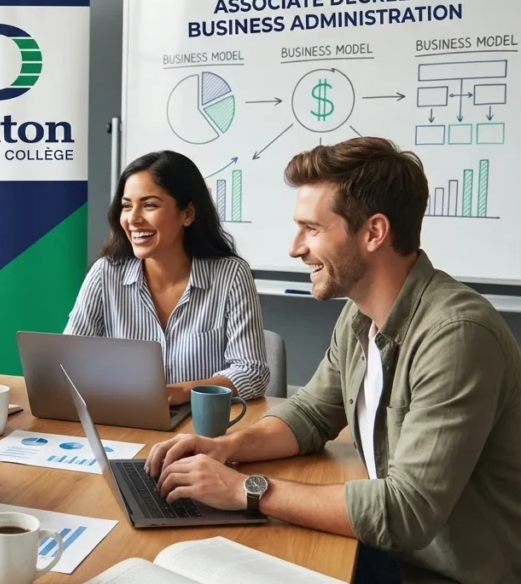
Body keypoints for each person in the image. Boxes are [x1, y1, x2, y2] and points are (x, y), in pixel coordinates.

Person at [145, 137, 521, 583]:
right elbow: (310, 414)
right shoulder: (359, 315)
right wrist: (225, 448)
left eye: (313, 229)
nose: (294, 247)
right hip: (384, 549)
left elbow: (407, 511)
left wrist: (246, 488)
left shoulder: (457, 336)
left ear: (374, 232)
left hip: (436, 572)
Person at [65, 150, 269, 404]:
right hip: (124, 420)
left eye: (149, 205)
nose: (133, 219)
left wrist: (183, 392)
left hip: (200, 427)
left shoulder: (231, 275)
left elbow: (252, 371)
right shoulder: (105, 273)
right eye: (127, 206)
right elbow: (68, 363)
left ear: (188, 214)